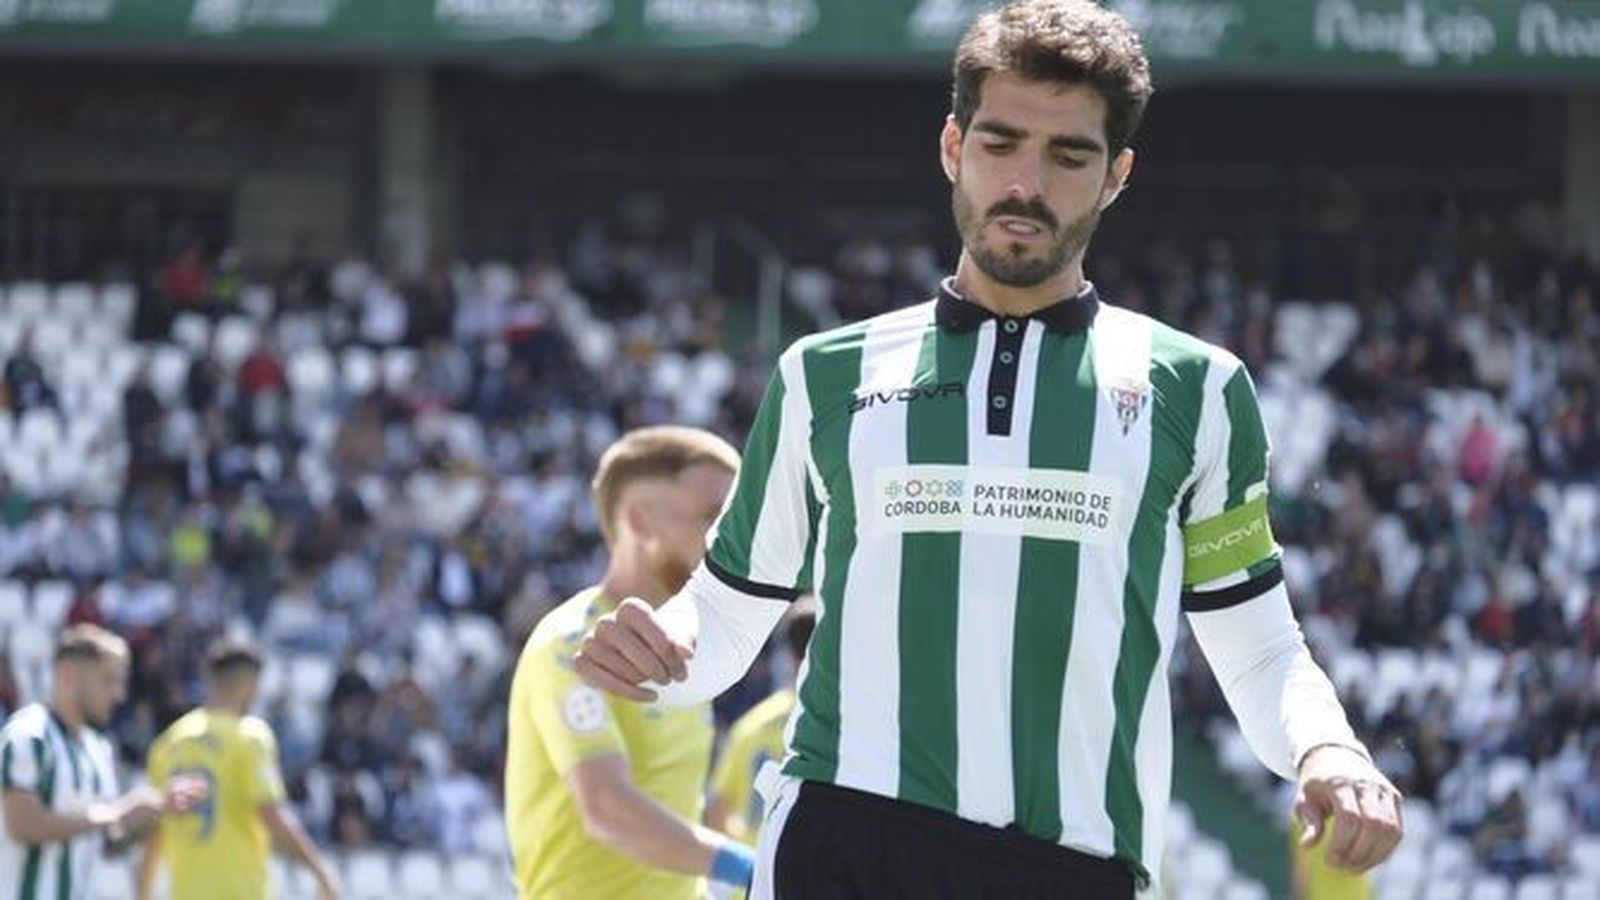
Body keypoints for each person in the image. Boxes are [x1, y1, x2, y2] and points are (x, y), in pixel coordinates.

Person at [573, 3, 1404, 898]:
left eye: (1069, 155)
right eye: (1001, 143)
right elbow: (731, 611)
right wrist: (663, 649)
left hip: (1071, 865)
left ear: (1117, 174)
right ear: (951, 148)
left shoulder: (1196, 389)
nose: (1027, 182)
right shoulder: (823, 374)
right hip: (842, 838)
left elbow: (1255, 646)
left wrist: (1329, 746)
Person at [504, 425, 757, 899]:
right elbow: (606, 807)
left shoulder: (688, 648)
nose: (731, 538)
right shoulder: (571, 646)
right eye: (713, 517)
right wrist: (747, 865)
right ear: (640, 522)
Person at [1, 625, 201, 900]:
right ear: (68, 674)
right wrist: (115, 813)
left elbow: (105, 845)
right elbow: (23, 825)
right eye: (108, 680)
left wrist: (145, 816)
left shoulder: (98, 749)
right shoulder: (30, 735)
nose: (119, 694)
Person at [137, 638, 340, 900]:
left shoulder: (168, 743)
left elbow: (155, 833)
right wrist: (319, 870)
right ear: (250, 685)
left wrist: (142, 892)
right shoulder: (250, 736)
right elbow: (271, 815)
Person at [706, 598, 817, 844]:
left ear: (791, 657)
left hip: (752, 872)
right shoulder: (844, 731)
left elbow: (717, 808)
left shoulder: (753, 723)